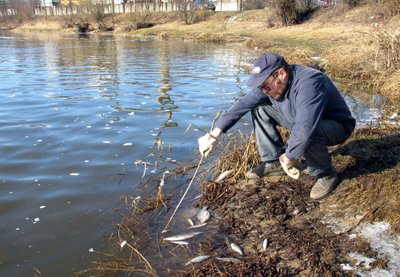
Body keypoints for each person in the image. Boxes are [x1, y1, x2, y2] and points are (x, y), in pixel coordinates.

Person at [198, 52, 356, 200]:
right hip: (300, 121)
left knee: (308, 134)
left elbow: (305, 128)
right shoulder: (270, 84)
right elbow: (242, 104)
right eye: (261, 87)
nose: (264, 91)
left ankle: (326, 175)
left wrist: (289, 156)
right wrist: (214, 135)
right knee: (259, 108)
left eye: (267, 86)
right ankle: (273, 163)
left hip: (336, 126)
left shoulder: (310, 82)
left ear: (281, 73)